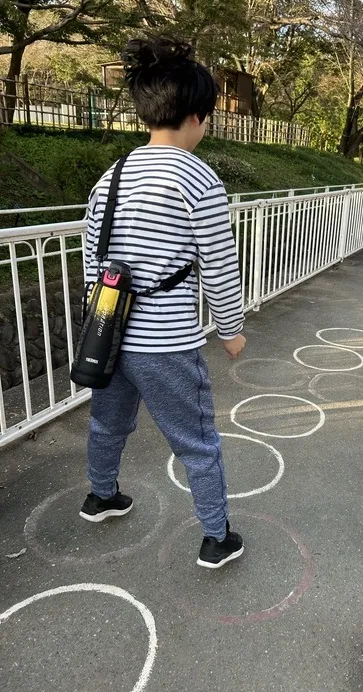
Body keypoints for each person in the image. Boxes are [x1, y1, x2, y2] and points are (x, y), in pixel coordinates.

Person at [78, 37, 246, 569]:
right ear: (196, 116)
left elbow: (92, 258)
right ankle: (217, 537)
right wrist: (231, 328)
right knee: (196, 440)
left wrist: (100, 316)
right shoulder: (197, 177)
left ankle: (101, 496)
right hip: (166, 341)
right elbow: (219, 264)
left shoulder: (113, 176)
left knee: (108, 422)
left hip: (107, 332)